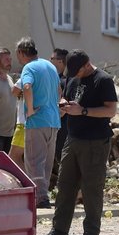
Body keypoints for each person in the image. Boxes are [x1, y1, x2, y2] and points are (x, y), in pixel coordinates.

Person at [42, 49, 117, 235]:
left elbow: (111, 110)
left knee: (92, 188)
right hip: (72, 139)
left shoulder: (103, 80)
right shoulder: (73, 79)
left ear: (87, 64)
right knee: (65, 187)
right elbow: (67, 102)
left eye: (78, 70)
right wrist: (63, 106)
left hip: (95, 141)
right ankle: (59, 231)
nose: (75, 75)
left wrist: (83, 111)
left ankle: (91, 233)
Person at [15, 37, 60, 210]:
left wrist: (31, 109)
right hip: (53, 121)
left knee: (34, 161)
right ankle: (43, 195)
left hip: (37, 120)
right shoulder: (50, 66)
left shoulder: (29, 67)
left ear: (21, 52)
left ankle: (39, 199)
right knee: (46, 163)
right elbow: (58, 91)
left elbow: (26, 87)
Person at [48, 48, 70, 191]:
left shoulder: (62, 82)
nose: (50, 61)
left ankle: (67, 190)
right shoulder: (62, 80)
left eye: (52, 59)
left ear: (60, 62)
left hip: (61, 127)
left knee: (62, 158)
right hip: (60, 126)